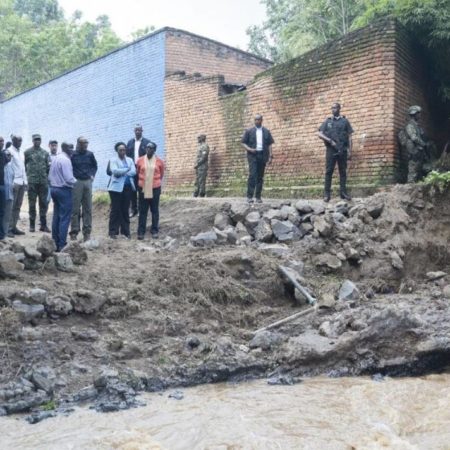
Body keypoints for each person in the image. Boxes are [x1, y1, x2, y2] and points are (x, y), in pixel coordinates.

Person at [318, 103, 354, 202]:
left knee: (343, 172)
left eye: (335, 108)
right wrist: (330, 141)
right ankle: (326, 194)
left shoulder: (345, 121)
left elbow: (350, 137)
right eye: (332, 108)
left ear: (339, 109)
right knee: (328, 172)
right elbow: (319, 133)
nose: (333, 109)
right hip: (331, 150)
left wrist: (350, 151)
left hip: (342, 150)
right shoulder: (328, 121)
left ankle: (343, 193)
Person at [49, 142, 76, 252]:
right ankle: (61, 244)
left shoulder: (56, 158)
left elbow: (49, 175)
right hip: (64, 190)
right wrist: (76, 182)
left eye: (72, 147)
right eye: (70, 147)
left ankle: (54, 242)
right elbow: (69, 178)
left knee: (56, 216)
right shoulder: (65, 160)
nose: (72, 149)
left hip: (54, 188)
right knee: (65, 218)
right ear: (65, 148)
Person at [241, 114, 274, 203]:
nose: (257, 121)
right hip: (252, 156)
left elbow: (270, 144)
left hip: (262, 155)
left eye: (259, 120)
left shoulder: (266, 131)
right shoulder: (249, 131)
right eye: (256, 120)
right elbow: (243, 143)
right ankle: (249, 196)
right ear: (254, 121)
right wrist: (250, 149)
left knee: (260, 176)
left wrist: (270, 156)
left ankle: (258, 197)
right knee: (252, 175)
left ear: (261, 120)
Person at [70, 136, 97, 242]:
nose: (85, 145)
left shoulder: (90, 154)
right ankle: (74, 232)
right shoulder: (73, 154)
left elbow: (94, 166)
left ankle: (87, 233)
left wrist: (92, 175)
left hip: (87, 182)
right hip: (76, 182)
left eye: (86, 143)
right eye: (83, 143)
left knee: (88, 209)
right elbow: (69, 167)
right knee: (75, 209)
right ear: (78, 144)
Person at [107, 142, 136, 239]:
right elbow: (115, 172)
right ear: (117, 151)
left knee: (125, 209)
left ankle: (125, 231)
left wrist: (123, 170)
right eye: (120, 150)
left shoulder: (130, 159)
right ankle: (113, 232)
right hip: (115, 188)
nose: (123, 151)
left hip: (127, 187)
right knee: (115, 210)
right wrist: (127, 170)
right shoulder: (113, 160)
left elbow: (134, 172)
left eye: (124, 150)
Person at [136, 142, 164, 240]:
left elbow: (161, 174)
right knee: (142, 211)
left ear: (154, 150)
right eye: (147, 147)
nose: (149, 149)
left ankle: (155, 230)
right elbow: (137, 172)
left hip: (155, 188)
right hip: (143, 188)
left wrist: (154, 182)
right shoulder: (139, 160)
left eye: (151, 148)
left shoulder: (159, 161)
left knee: (154, 210)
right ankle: (141, 232)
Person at [398, 105, 433, 183]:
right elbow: (414, 138)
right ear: (414, 114)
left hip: (419, 151)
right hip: (414, 151)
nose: (419, 115)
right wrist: (423, 144)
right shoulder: (410, 125)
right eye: (418, 113)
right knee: (413, 171)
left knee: (424, 168)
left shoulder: (417, 126)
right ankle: (409, 189)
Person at [24, 134, 51, 232]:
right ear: (32, 141)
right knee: (32, 204)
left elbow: (48, 168)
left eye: (39, 140)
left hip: (43, 182)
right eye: (35, 140)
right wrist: (27, 178)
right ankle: (32, 225)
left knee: (43, 204)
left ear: (41, 141)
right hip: (32, 182)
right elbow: (24, 167)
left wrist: (45, 178)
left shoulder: (45, 153)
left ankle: (43, 225)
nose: (37, 141)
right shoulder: (27, 152)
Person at [127, 124, 150, 217]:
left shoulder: (146, 142)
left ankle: (141, 210)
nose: (138, 132)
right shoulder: (130, 142)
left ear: (142, 131)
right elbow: (127, 156)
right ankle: (133, 209)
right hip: (132, 169)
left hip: (142, 169)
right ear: (134, 131)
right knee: (133, 190)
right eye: (136, 130)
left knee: (141, 190)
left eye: (139, 130)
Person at [8, 135, 27, 235]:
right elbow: (9, 168)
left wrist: (25, 181)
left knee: (18, 206)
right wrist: (11, 182)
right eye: (18, 140)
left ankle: (14, 227)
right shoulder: (9, 151)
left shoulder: (21, 152)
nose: (20, 142)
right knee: (12, 206)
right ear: (13, 141)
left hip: (22, 182)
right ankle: (9, 228)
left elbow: (23, 168)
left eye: (21, 140)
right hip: (14, 182)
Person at [2, 148, 14, 239]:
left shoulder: (11, 166)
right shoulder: (2, 166)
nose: (8, 157)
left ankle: (4, 234)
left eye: (10, 155)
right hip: (3, 193)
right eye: (7, 155)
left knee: (7, 215)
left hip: (9, 194)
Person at [0, 136, 7, 240]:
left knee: (2, 211)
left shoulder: (3, 154)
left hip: (2, 185)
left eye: (2, 141)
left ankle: (1, 234)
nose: (2, 143)